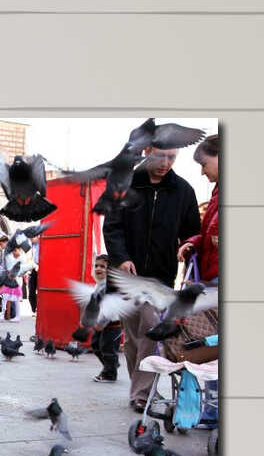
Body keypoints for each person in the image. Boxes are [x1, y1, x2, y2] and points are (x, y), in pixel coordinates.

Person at [103, 143, 202, 410]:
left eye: (172, 157)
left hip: (160, 277)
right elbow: (111, 227)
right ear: (147, 150)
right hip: (127, 277)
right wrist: (121, 258)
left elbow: (193, 231)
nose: (166, 163)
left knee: (150, 330)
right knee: (133, 337)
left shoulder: (183, 191)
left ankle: (141, 394)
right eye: (161, 156)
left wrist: (187, 245)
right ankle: (140, 386)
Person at [181, 132, 219, 287]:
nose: (202, 172)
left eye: (204, 164)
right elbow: (208, 235)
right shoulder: (216, 193)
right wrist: (192, 243)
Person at [82, 252, 124, 384]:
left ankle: (109, 373)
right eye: (96, 266)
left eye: (102, 266)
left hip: (112, 324)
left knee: (108, 349)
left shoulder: (110, 286)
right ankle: (111, 364)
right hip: (100, 324)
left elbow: (111, 308)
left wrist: (102, 322)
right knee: (96, 345)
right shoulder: (98, 284)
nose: (98, 268)